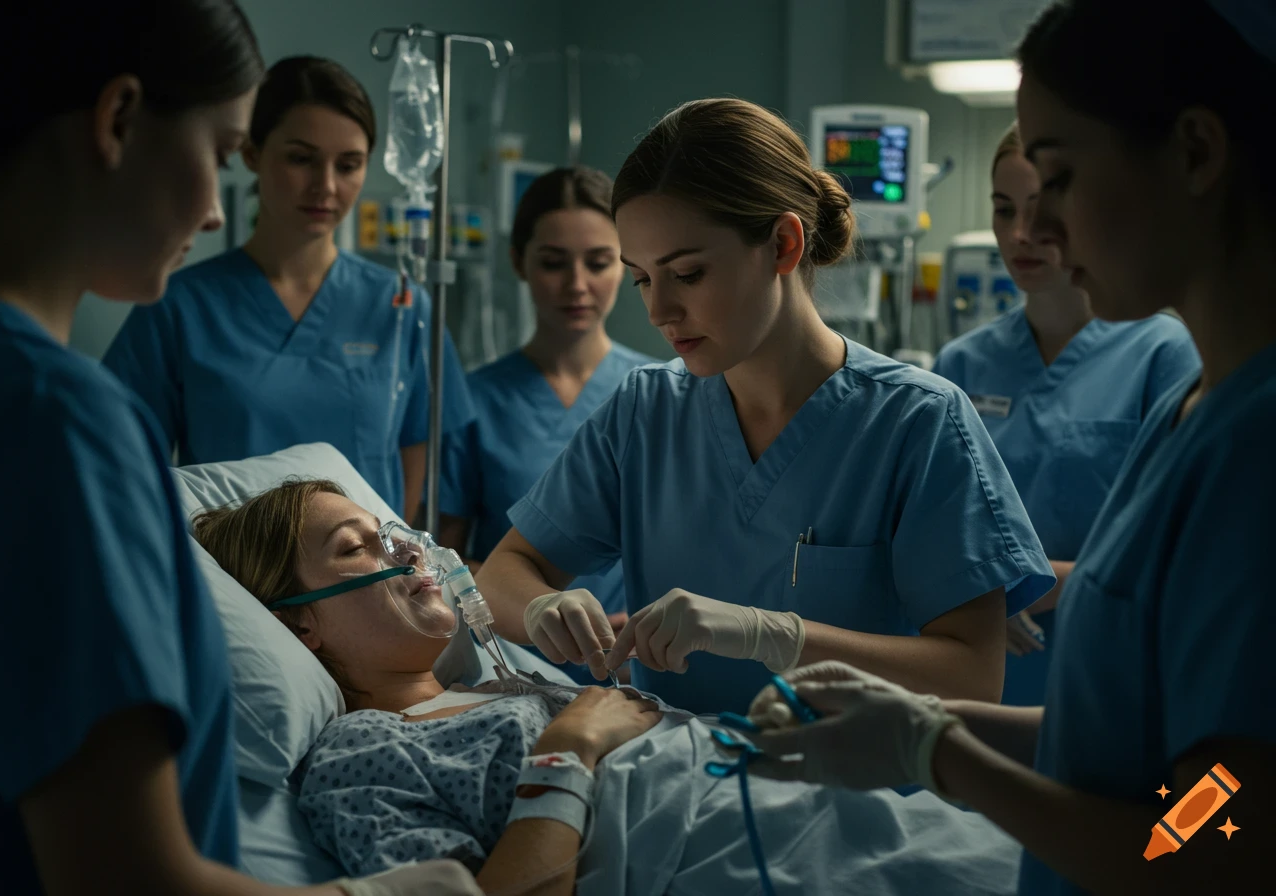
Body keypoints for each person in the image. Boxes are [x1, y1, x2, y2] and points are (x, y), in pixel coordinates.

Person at [730, 2, 1276, 894]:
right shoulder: (1195, 407)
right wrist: (923, 718)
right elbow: (1117, 751)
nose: (1038, 231)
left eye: (1058, 178)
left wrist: (946, 759)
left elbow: (1215, 820)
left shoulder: (1256, 449)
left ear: (1196, 153)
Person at [0, 3, 479, 895]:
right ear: (117, 121)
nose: (218, 211)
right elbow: (120, 869)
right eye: (224, 155)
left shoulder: (399, 307)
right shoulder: (66, 422)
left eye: (348, 164)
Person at [473, 98, 1056, 716]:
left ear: (782, 243)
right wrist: (541, 605)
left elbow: (972, 675)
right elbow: (506, 568)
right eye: (644, 278)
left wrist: (772, 635)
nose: (658, 310)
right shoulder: (646, 412)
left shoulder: (915, 422)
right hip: (674, 784)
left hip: (852, 797)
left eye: (688, 273)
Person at [193, 480, 1026, 896]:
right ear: (299, 626)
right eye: (355, 550)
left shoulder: (503, 681)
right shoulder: (359, 759)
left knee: (1097, 843)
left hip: (811, 805)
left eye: (392, 535)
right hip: (750, 861)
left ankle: (1163, 810)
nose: (407, 553)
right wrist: (570, 749)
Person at [103, 55, 474, 523]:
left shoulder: (401, 306)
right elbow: (124, 464)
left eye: (349, 164)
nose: (326, 186)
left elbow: (416, 457)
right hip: (233, 581)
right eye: (301, 159)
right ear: (252, 153)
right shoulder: (179, 306)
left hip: (370, 579)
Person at [930, 122, 1200, 706]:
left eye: (1041, 207)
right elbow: (931, 531)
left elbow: (1179, 550)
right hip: (986, 674)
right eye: (1004, 211)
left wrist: (1023, 588)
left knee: (1142, 793)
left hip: (1114, 660)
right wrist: (972, 601)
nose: (1022, 234)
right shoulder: (962, 364)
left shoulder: (1163, 354)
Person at [439, 167, 655, 682]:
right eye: (554, 263)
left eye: (599, 262)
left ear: (624, 264)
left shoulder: (659, 394)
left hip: (646, 662)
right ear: (520, 262)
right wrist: (536, 608)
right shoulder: (473, 398)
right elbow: (443, 562)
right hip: (513, 667)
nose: (577, 285)